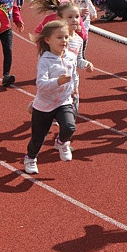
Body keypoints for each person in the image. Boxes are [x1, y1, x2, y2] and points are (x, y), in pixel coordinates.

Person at [23, 21, 83, 175]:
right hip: (45, 104)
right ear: (48, 40)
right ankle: (30, 158)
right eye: (59, 38)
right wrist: (57, 81)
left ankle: (61, 143)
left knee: (70, 127)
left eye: (66, 37)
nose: (64, 41)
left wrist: (75, 88)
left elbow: (74, 74)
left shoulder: (70, 56)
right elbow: (41, 84)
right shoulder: (45, 60)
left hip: (64, 101)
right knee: (38, 138)